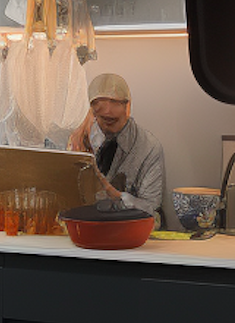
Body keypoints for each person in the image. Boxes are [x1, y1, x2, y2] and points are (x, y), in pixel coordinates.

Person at [68, 71, 174, 226]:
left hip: (128, 230)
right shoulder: (80, 139)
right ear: (93, 112)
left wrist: (116, 196)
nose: (107, 122)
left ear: (128, 108)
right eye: (103, 118)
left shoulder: (149, 147)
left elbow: (152, 209)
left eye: (114, 119)